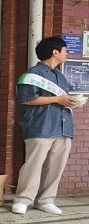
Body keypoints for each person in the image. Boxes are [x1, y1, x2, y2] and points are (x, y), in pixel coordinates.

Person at [10, 36, 81, 215]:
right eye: (65, 50)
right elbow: (27, 99)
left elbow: (62, 99)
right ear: (55, 52)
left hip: (63, 127)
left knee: (56, 166)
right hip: (40, 126)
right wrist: (58, 98)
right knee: (34, 164)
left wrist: (71, 102)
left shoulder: (60, 76)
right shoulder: (33, 74)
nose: (67, 54)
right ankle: (23, 199)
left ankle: (46, 200)